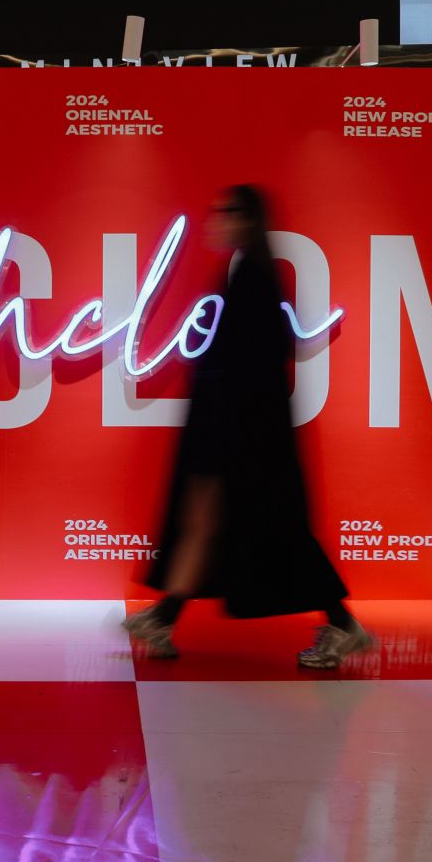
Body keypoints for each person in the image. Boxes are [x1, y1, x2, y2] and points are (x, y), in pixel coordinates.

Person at [122, 185, 374, 669]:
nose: (217, 220)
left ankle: (344, 626)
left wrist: (227, 424)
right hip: (235, 430)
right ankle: (163, 617)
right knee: (208, 522)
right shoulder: (246, 269)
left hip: (242, 435)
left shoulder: (254, 274)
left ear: (248, 219)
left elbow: (254, 362)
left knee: (269, 531)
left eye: (227, 212)